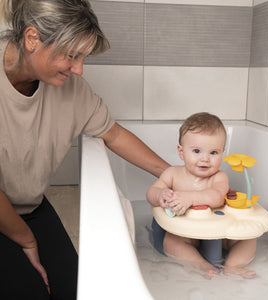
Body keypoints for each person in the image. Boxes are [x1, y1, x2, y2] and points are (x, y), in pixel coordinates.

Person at [0, 1, 170, 299]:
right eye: (71, 55)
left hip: (30, 206)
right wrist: (27, 241)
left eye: (83, 57)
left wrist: (171, 173)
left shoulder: (71, 90)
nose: (79, 69)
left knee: (75, 290)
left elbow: (113, 134)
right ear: (31, 39)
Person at [146, 112, 257, 278]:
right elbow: (151, 193)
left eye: (213, 153)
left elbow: (217, 197)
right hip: (184, 235)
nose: (205, 159)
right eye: (197, 151)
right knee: (171, 242)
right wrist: (161, 194)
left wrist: (190, 198)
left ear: (222, 153)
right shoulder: (172, 174)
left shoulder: (219, 177)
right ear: (181, 152)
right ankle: (199, 263)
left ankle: (233, 265)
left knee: (249, 238)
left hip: (218, 233)